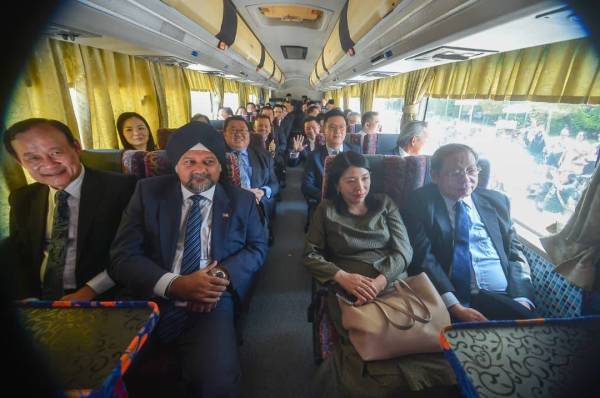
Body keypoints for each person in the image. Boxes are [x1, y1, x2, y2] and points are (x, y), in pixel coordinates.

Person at [110, 122, 268, 397]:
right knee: (109, 372)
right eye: (189, 161)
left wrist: (217, 280)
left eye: (209, 161)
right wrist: (174, 284)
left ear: (221, 167)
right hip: (151, 294)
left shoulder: (241, 200)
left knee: (216, 384)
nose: (199, 169)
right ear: (175, 165)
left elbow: (257, 248)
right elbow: (123, 255)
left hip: (213, 300)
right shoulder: (147, 193)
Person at [304, 152, 456, 398]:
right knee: (368, 343)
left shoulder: (385, 203)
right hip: (352, 290)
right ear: (337, 185)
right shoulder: (326, 210)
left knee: (420, 337)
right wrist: (341, 276)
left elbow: (404, 250)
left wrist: (380, 280)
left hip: (395, 282)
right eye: (350, 181)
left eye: (365, 178)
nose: (360, 187)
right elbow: (310, 254)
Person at [3, 118, 136, 300]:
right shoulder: (22, 199)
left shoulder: (124, 189)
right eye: (33, 158)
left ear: (76, 147)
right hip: (39, 300)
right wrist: (26, 298)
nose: (49, 164)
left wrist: (88, 292)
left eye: (56, 152)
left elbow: (136, 252)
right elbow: (20, 258)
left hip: (103, 296)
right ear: (20, 162)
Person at [403, 143, 537, 322]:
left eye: (471, 170)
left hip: (505, 297)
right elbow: (423, 257)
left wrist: (522, 298)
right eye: (456, 173)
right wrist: (454, 306)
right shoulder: (419, 203)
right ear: (435, 176)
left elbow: (515, 253)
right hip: (451, 300)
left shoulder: (498, 202)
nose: (466, 179)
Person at [302, 110, 359, 229]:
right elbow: (306, 186)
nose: (338, 131)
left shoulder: (356, 152)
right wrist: (329, 199)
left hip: (353, 202)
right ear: (324, 130)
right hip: (326, 204)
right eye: (332, 127)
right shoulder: (314, 156)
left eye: (341, 127)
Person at [223, 116, 279, 224]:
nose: (238, 133)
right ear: (225, 134)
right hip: (229, 207)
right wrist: (240, 195)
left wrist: (262, 192)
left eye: (243, 130)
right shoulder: (215, 159)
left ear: (249, 134)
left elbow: (274, 184)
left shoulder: (264, 156)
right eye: (233, 130)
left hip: (258, 203)